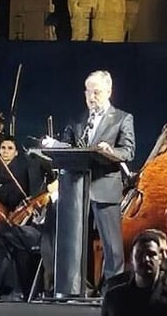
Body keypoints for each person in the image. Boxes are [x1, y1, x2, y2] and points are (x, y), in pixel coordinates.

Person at [43, 70, 135, 290]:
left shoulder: (122, 118)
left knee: (112, 247)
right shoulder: (81, 119)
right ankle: (75, 287)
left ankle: (112, 291)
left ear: (109, 91)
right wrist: (55, 146)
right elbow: (75, 148)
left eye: (97, 92)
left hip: (105, 186)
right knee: (73, 243)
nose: (92, 98)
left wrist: (110, 151)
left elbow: (128, 151)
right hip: (77, 189)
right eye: (88, 93)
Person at [0, 135, 55, 299]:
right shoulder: (42, 191)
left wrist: (42, 204)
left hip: (43, 235)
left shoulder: (56, 195)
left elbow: (48, 220)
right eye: (3, 148)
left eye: (9, 148)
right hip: (27, 228)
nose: (5, 151)